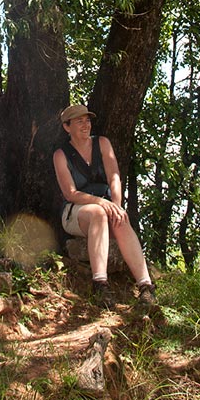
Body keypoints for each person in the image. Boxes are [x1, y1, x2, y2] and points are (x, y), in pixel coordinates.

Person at [53, 102, 156, 306]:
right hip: (77, 212)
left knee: (120, 219)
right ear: (67, 127)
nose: (86, 125)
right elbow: (70, 193)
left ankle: (146, 287)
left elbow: (114, 177)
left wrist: (116, 206)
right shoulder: (60, 155)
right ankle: (100, 285)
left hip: (106, 205)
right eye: (79, 121)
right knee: (99, 213)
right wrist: (101, 203)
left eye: (88, 120)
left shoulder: (102, 143)